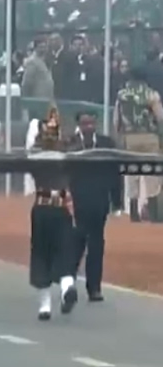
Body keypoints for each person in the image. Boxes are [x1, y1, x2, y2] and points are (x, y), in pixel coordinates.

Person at [28, 107, 78, 321]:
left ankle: (49, 303)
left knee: (43, 253)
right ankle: (65, 289)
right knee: (60, 251)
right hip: (57, 209)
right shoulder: (66, 155)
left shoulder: (37, 155)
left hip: (44, 208)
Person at [68, 111, 121, 302]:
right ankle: (68, 281)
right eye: (85, 123)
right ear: (79, 125)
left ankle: (94, 288)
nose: (89, 127)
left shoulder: (107, 144)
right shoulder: (71, 144)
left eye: (91, 123)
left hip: (99, 201)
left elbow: (115, 173)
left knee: (97, 244)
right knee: (77, 242)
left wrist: (117, 201)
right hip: (77, 202)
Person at [114, 65, 163, 222]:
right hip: (149, 137)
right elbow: (160, 117)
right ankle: (154, 215)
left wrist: (120, 135)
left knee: (131, 174)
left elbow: (116, 120)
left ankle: (134, 214)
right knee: (152, 175)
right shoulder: (151, 94)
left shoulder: (122, 95)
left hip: (130, 138)